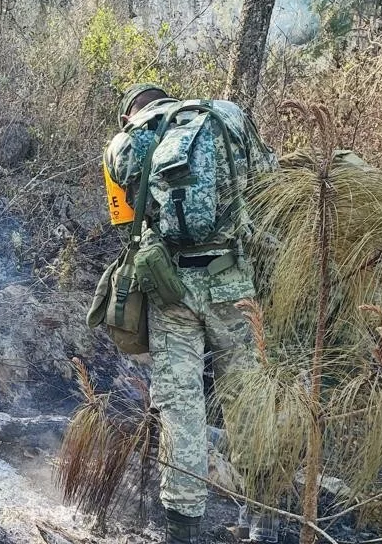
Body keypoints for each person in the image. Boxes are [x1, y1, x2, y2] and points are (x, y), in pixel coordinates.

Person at [95, 84, 279, 543]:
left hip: (170, 291)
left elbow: (125, 224)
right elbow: (269, 185)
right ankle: (263, 523)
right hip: (233, 282)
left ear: (129, 115)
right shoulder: (226, 118)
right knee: (249, 397)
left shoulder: (125, 143)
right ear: (169, 99)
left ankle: (183, 528)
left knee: (181, 408)